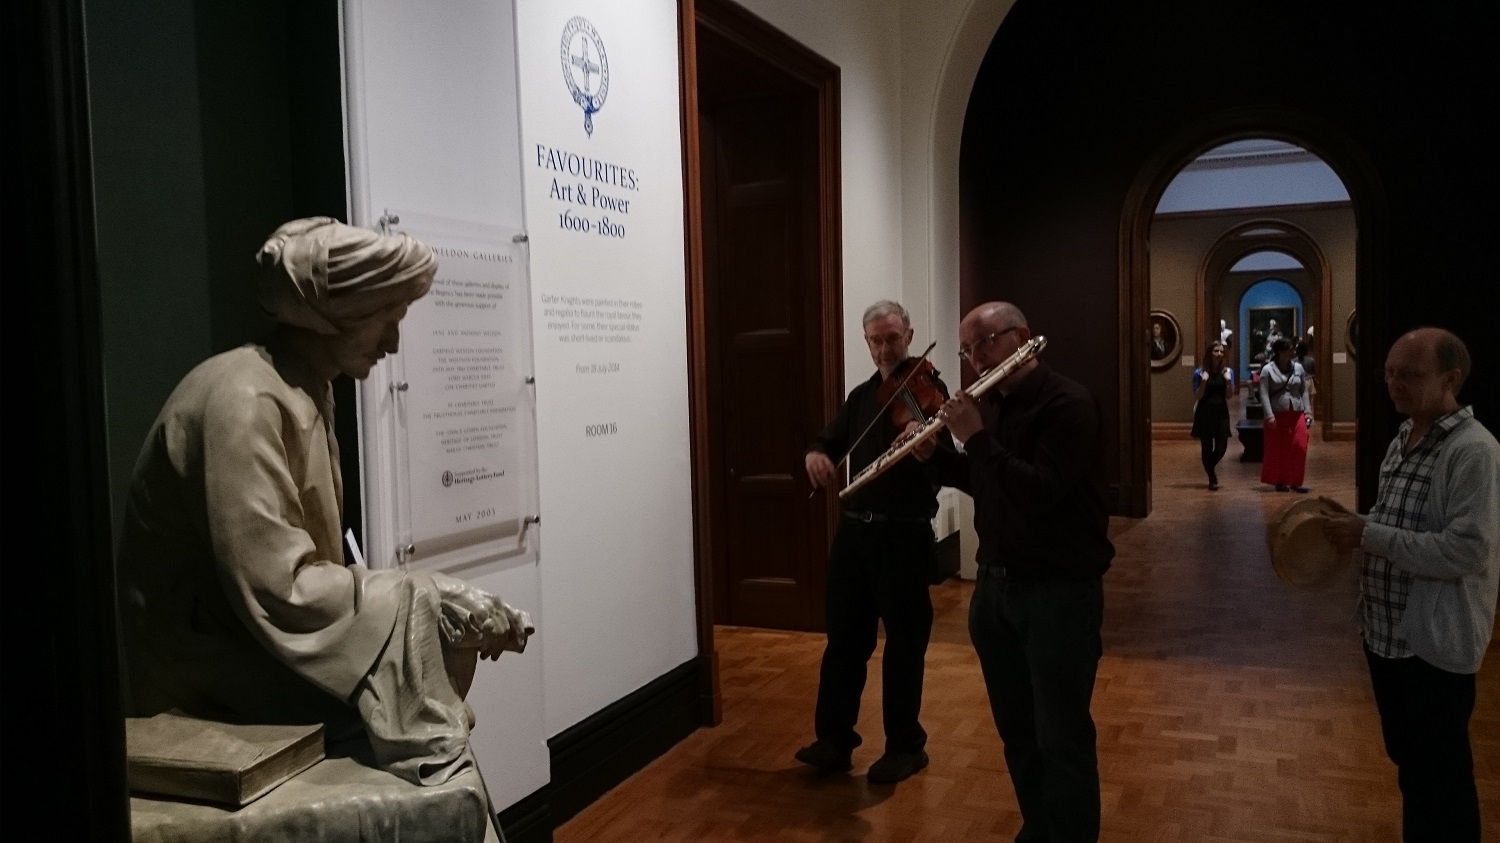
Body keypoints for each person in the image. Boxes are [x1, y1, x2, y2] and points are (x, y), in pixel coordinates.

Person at [118, 217, 532, 792]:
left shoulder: (303, 387)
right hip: (206, 684)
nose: (393, 343)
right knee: (429, 728)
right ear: (338, 316)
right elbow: (280, 588)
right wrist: (426, 596)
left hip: (251, 653)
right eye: (386, 320)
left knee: (439, 698)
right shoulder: (244, 401)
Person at [929, 302, 1115, 841]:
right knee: (1018, 732)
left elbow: (1037, 491)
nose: (975, 358)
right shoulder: (999, 406)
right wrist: (935, 456)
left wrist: (976, 438)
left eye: (985, 342)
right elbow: (990, 482)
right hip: (995, 592)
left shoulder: (1069, 404)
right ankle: (1039, 828)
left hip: (1057, 595)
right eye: (968, 349)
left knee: (1062, 737)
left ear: (1022, 336)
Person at [1323, 327, 1499, 841]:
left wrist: (1367, 534)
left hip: (1431, 644)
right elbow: (1395, 524)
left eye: (1411, 375)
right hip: (1386, 635)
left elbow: (1467, 550)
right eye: (1390, 374)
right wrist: (1354, 524)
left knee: (1441, 780)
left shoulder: (1473, 450)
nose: (1395, 384)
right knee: (1413, 768)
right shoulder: (1404, 435)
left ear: (1451, 379)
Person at [797, 299, 950, 784]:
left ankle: (906, 747)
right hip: (854, 534)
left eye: (893, 338)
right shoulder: (863, 395)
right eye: (876, 340)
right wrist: (818, 454)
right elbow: (830, 438)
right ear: (866, 342)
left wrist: (926, 443)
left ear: (910, 335)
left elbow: (946, 458)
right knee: (844, 640)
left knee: (904, 644)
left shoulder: (929, 390)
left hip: (903, 535)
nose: (885, 349)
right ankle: (834, 740)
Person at [1258, 337, 1312, 492]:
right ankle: (1280, 480)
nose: (1292, 351)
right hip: (1277, 412)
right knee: (1279, 448)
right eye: (1289, 349)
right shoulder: (1267, 369)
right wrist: (1269, 415)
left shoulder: (1298, 368)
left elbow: (1303, 391)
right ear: (1280, 351)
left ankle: (1296, 481)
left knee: (1300, 445)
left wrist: (1308, 412)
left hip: (1296, 412)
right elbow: (1264, 394)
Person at [1191, 341, 1235, 490]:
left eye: (1221, 351)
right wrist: (1203, 381)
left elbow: (1229, 396)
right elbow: (1197, 395)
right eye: (1216, 351)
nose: (1219, 354)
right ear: (1210, 353)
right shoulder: (1199, 372)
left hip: (1221, 412)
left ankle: (1209, 468)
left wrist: (1228, 381)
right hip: (1205, 412)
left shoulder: (1227, 371)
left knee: (1221, 448)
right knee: (1207, 447)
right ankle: (1212, 477)